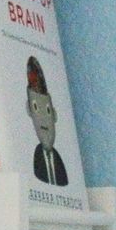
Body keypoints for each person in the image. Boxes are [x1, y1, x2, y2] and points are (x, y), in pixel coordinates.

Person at [26, 55, 68, 186]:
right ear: (29, 111)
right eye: (36, 108)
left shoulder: (60, 163)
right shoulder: (33, 159)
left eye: (48, 111)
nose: (43, 119)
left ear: (54, 115)